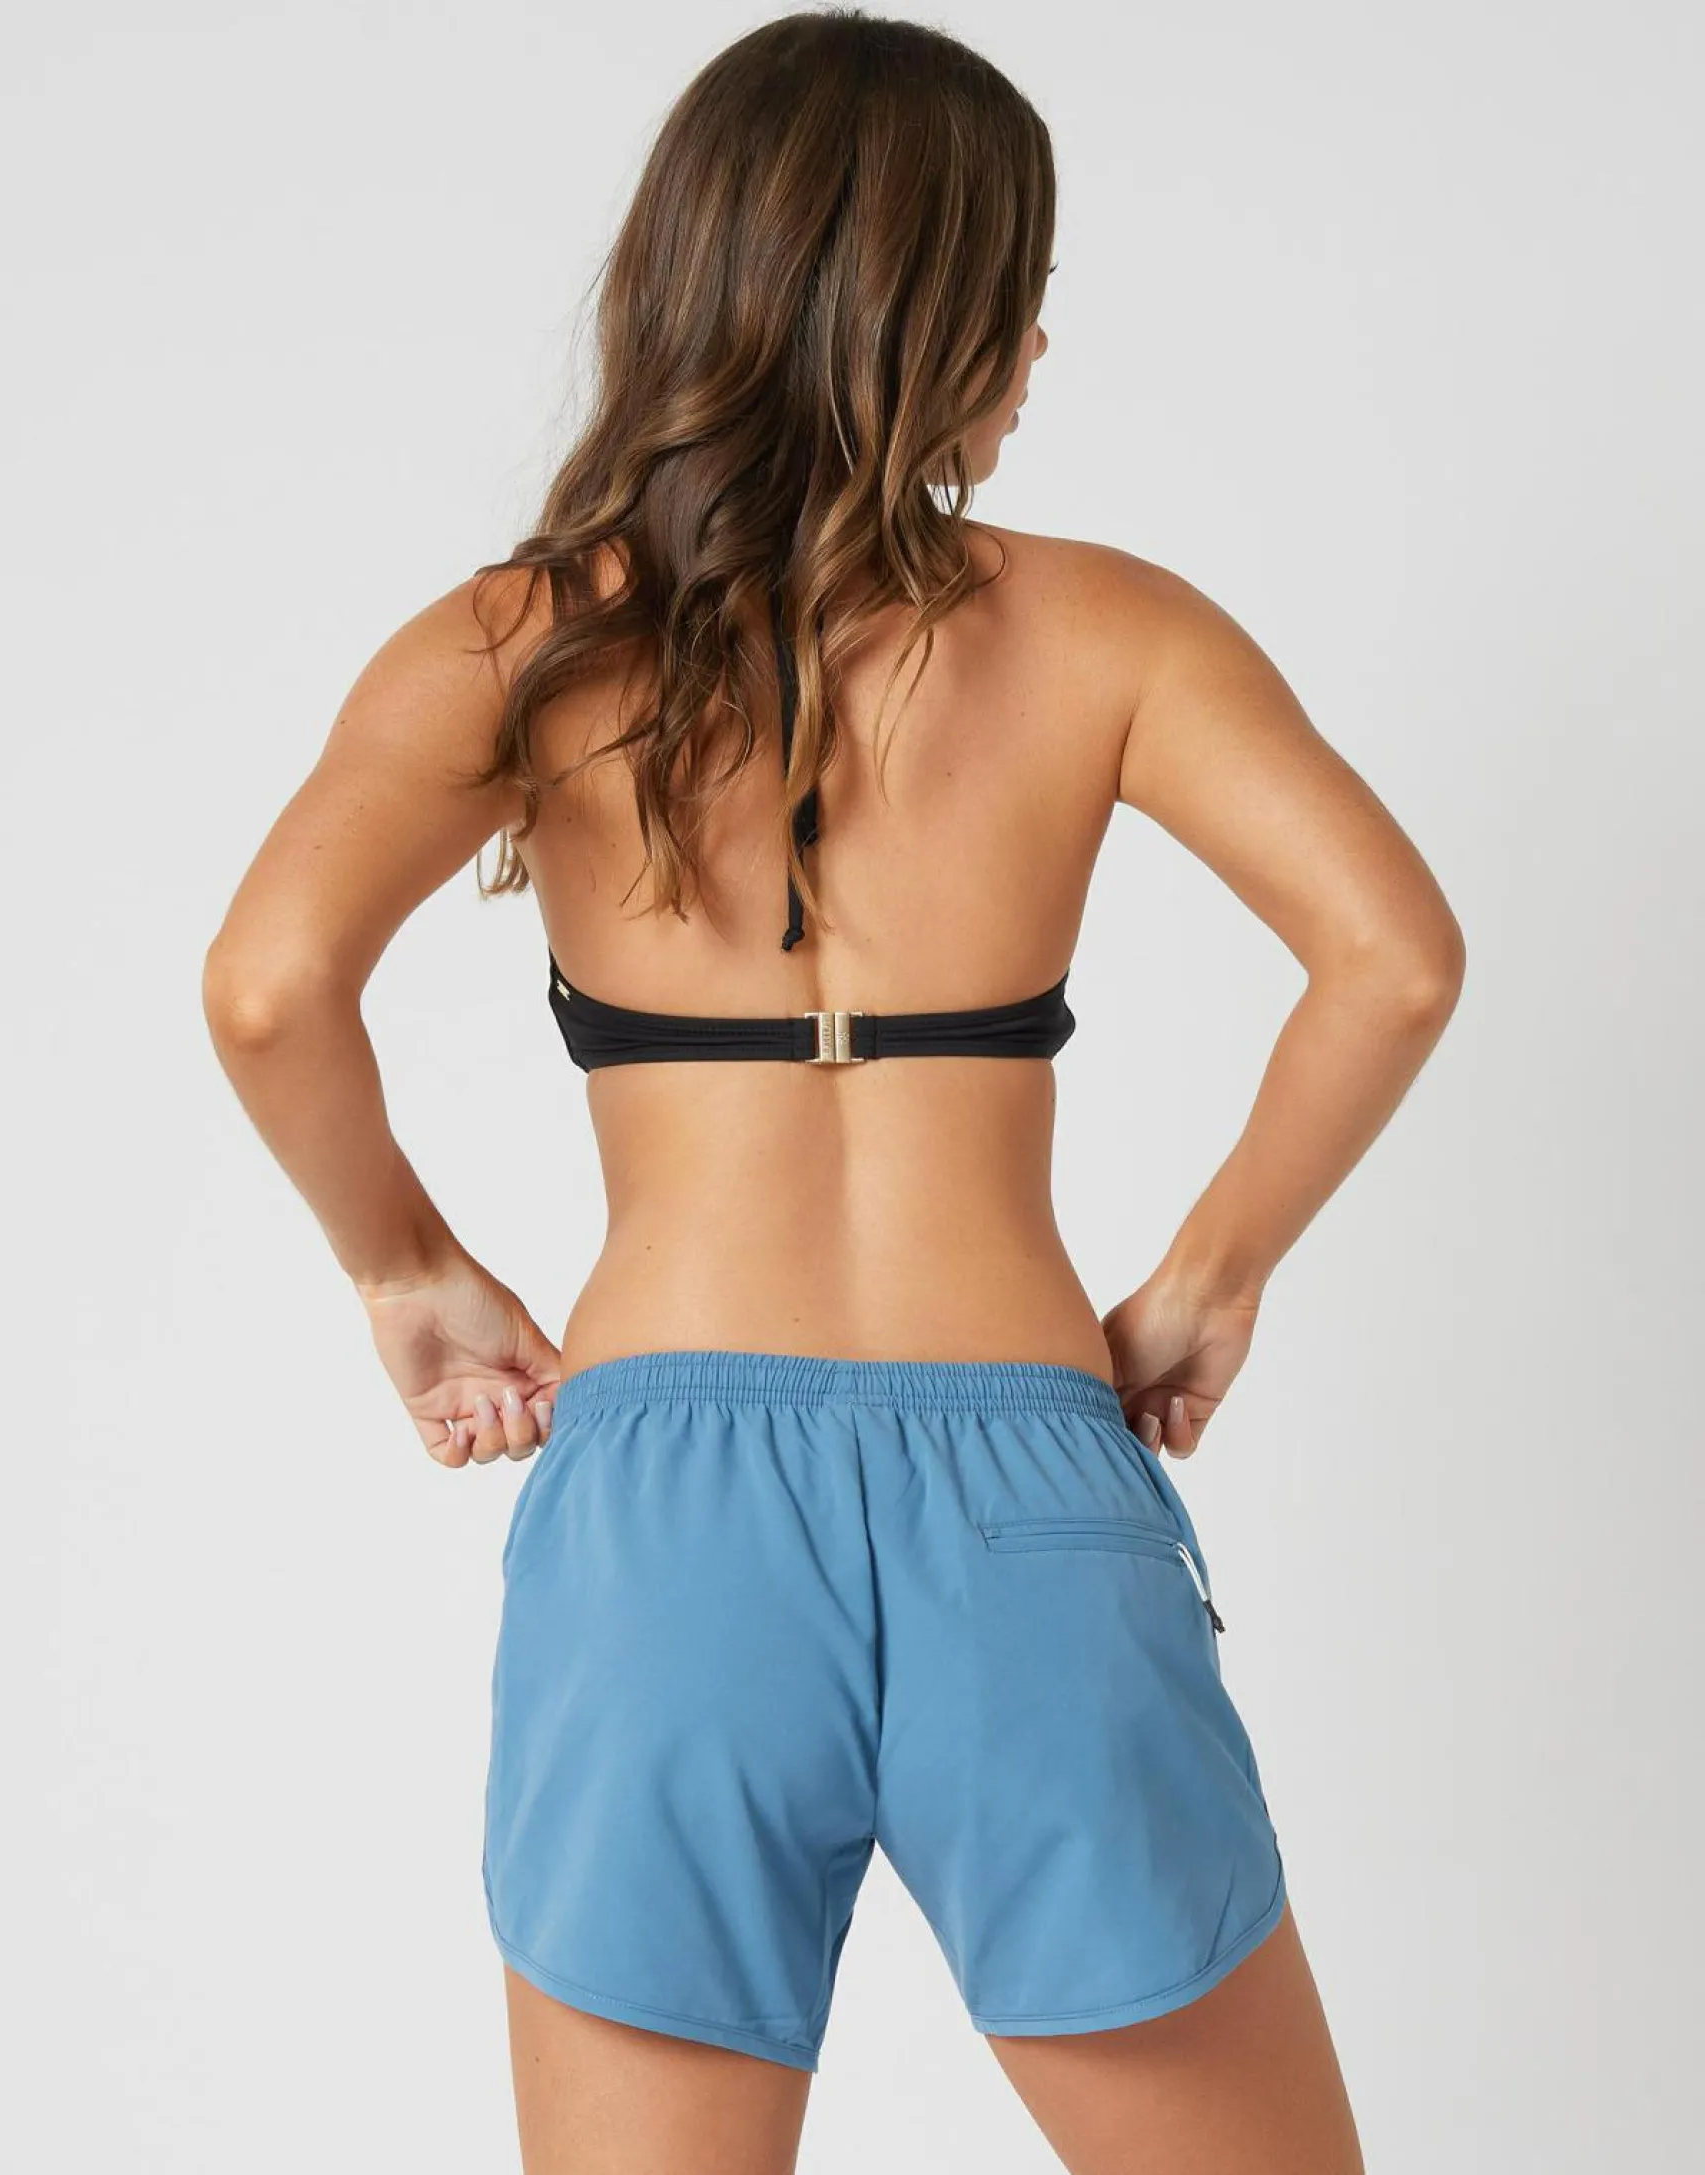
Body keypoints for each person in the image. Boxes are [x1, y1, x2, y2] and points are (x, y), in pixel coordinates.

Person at [204, 12, 1463, 2171]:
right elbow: (1397, 957)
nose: (1040, 347)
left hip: (662, 1511)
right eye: (1014, 294)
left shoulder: (516, 645)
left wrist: (406, 1268)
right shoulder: (1111, 633)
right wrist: (1209, 1279)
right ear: (926, 316)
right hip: (1029, 1495)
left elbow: (264, 988)